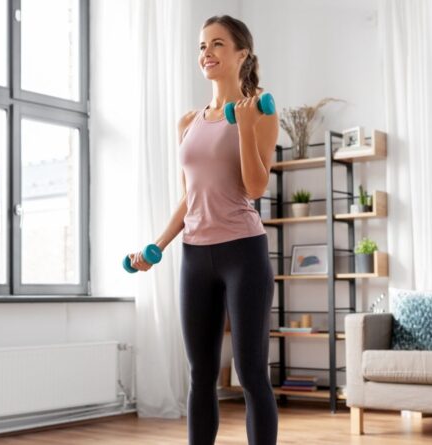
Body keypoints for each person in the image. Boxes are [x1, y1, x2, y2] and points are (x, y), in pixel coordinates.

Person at [126, 14, 279, 445]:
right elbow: (188, 199)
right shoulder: (188, 122)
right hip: (195, 256)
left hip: (243, 253)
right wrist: (154, 248)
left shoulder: (260, 110)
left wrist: (245, 128)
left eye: (216, 45)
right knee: (201, 374)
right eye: (201, 46)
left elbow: (254, 188)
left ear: (241, 54)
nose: (206, 54)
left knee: (251, 373)